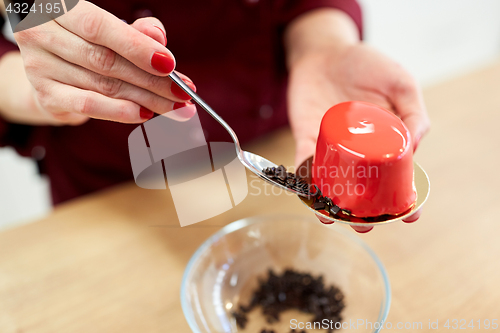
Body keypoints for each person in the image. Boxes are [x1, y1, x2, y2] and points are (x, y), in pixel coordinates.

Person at [0, 0, 429, 232]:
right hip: (115, 193)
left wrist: (325, 46)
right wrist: (36, 61)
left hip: (282, 130)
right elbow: (27, 7)